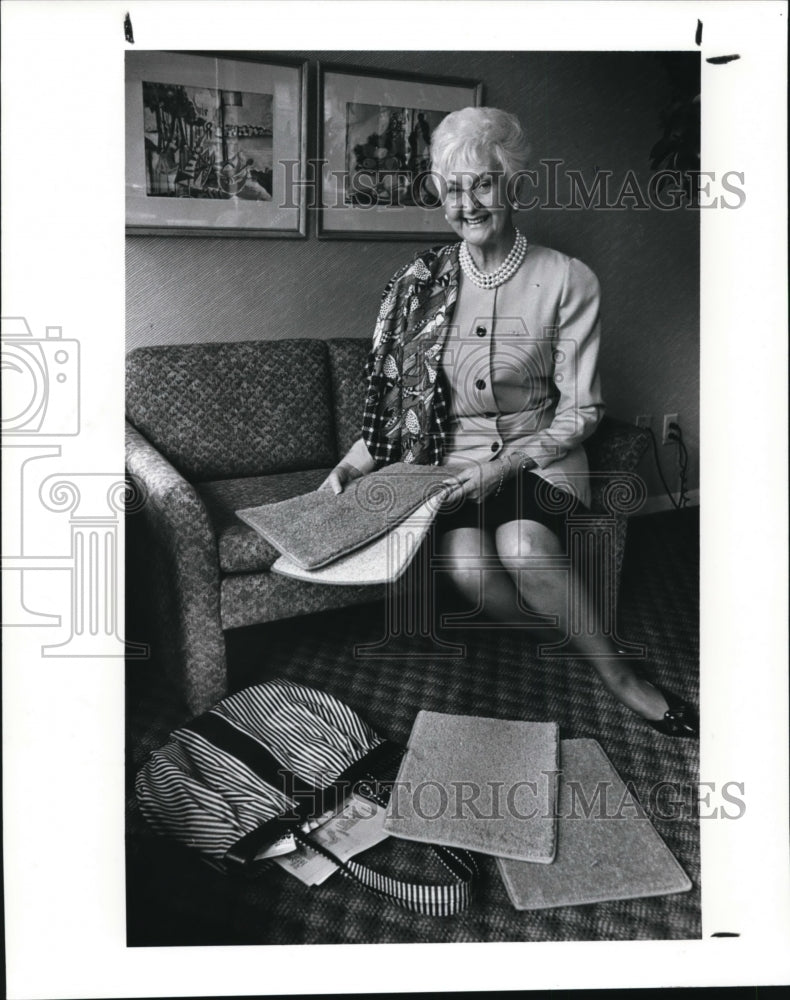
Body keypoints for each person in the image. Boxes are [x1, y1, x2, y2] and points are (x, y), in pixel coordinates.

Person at [320, 107, 697, 738]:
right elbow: (398, 408)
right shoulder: (420, 285)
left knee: (521, 546)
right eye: (452, 188)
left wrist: (503, 467)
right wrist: (353, 463)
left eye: (483, 184)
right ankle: (577, 632)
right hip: (451, 467)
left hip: (539, 456)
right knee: (467, 563)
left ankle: (620, 674)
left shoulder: (566, 279)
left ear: (514, 186)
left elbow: (582, 410)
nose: (467, 204)